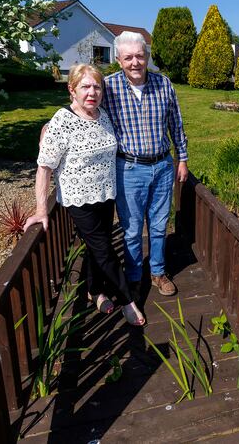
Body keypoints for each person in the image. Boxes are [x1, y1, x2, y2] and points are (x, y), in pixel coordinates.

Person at [24, 63, 145, 326]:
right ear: (72, 90)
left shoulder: (102, 115)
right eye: (85, 87)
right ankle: (128, 300)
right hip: (79, 200)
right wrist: (41, 210)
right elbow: (44, 168)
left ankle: (95, 291)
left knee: (94, 249)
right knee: (104, 250)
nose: (92, 92)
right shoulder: (63, 121)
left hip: (105, 194)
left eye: (97, 86)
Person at [102, 31, 189, 297]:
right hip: (128, 169)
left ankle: (158, 272)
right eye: (128, 57)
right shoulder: (107, 86)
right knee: (131, 228)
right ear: (118, 59)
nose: (135, 62)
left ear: (147, 57)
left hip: (162, 167)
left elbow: (176, 123)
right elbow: (84, 109)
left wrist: (182, 158)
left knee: (159, 225)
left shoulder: (164, 84)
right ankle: (134, 276)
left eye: (140, 56)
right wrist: (53, 125)